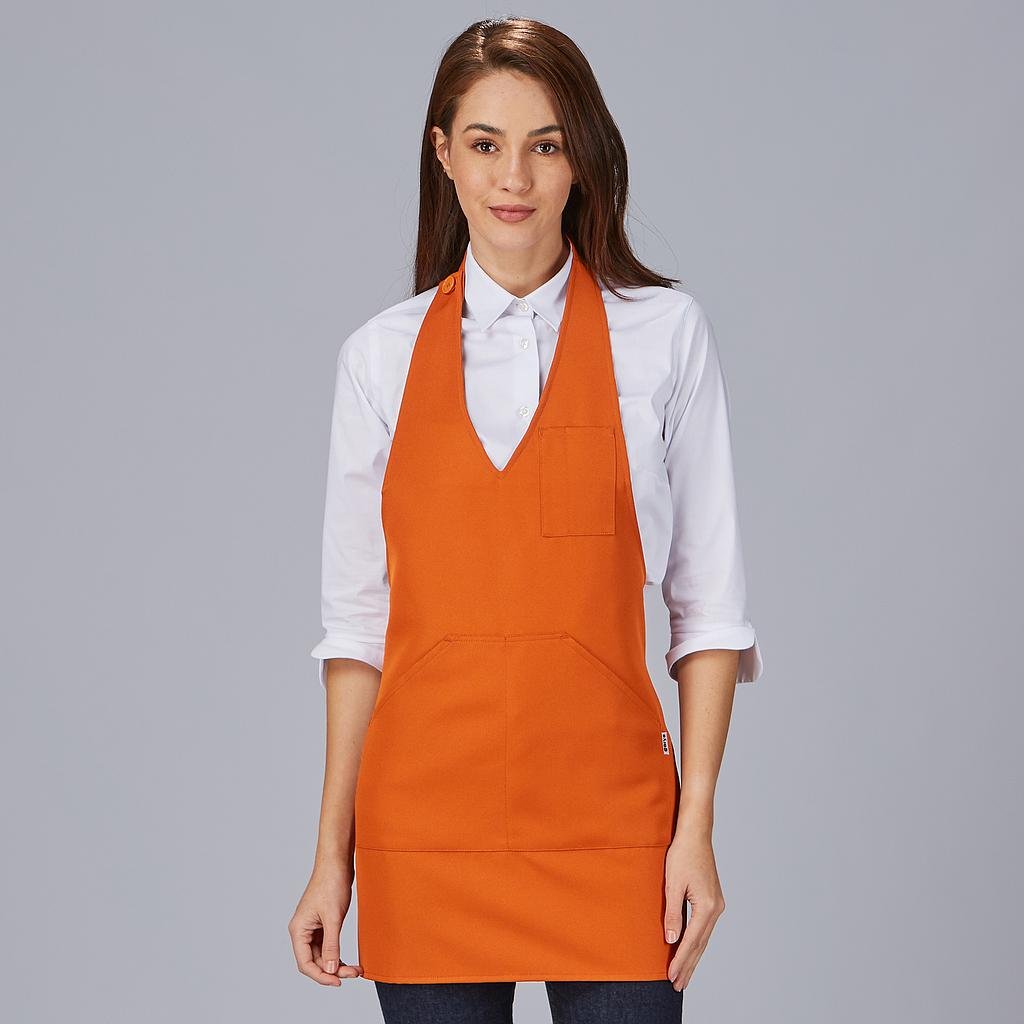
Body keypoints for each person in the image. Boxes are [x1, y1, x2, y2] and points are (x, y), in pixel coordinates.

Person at [288, 15, 763, 1024]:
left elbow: (709, 613)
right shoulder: (377, 359)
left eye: (545, 145)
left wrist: (696, 829)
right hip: (424, 830)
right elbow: (357, 630)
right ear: (443, 154)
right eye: (485, 143)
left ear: (581, 157)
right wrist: (332, 855)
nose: (514, 178)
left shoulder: (664, 338)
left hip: (615, 830)